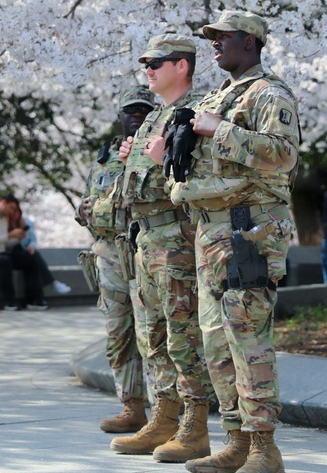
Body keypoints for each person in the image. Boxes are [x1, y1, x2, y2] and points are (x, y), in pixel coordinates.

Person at [171, 10, 299, 473]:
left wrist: (218, 129)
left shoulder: (269, 93)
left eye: (224, 36)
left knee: (247, 336)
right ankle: (236, 440)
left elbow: (283, 155)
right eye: (213, 37)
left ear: (250, 41)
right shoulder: (219, 96)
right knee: (216, 343)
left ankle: (265, 447)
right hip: (211, 230)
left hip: (249, 228)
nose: (215, 43)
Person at [109, 35, 216, 463]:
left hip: (176, 240)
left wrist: (159, 160)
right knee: (152, 336)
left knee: (183, 336)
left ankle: (195, 426)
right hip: (146, 240)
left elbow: (200, 179)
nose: (148, 69)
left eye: (156, 62)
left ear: (181, 66)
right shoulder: (155, 118)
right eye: (145, 63)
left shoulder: (195, 115)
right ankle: (164, 417)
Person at [79, 85, 155, 434]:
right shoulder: (104, 157)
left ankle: (166, 410)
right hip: (110, 256)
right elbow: (89, 202)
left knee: (152, 334)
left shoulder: (160, 150)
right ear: (119, 116)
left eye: (143, 110)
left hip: (146, 253)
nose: (137, 115)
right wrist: (85, 211)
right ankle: (131, 407)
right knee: (118, 333)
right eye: (131, 110)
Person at [0, 194, 48, 310]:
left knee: (29, 258)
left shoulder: (3, 219)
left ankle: (35, 299)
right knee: (5, 261)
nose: (12, 212)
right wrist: (9, 235)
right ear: (4, 203)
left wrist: (18, 238)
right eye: (11, 208)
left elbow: (4, 243)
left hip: (0, 252)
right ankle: (10, 302)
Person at [8, 201, 71, 295]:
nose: (15, 215)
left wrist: (31, 246)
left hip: (26, 253)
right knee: (34, 259)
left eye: (17, 212)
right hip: (12, 254)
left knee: (33, 258)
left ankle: (40, 295)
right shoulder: (4, 224)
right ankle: (51, 283)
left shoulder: (26, 223)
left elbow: (33, 239)